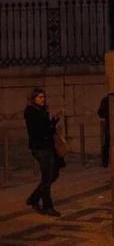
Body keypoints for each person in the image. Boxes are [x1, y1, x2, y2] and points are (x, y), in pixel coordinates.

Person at [24, 88, 65, 217]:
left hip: (48, 146)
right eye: (40, 97)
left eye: (43, 97)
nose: (43, 99)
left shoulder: (42, 110)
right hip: (40, 147)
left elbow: (47, 127)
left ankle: (34, 197)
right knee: (47, 177)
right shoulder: (31, 111)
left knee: (53, 174)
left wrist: (54, 120)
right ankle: (47, 206)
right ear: (34, 99)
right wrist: (51, 126)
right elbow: (41, 129)